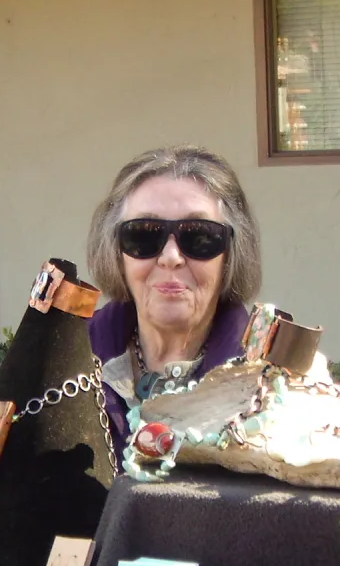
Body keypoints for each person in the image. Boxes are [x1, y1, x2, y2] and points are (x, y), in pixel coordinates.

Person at [86, 145, 263, 462]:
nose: (170, 257)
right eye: (143, 235)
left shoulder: (275, 381)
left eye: (199, 236)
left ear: (231, 254)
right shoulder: (64, 359)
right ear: (116, 251)